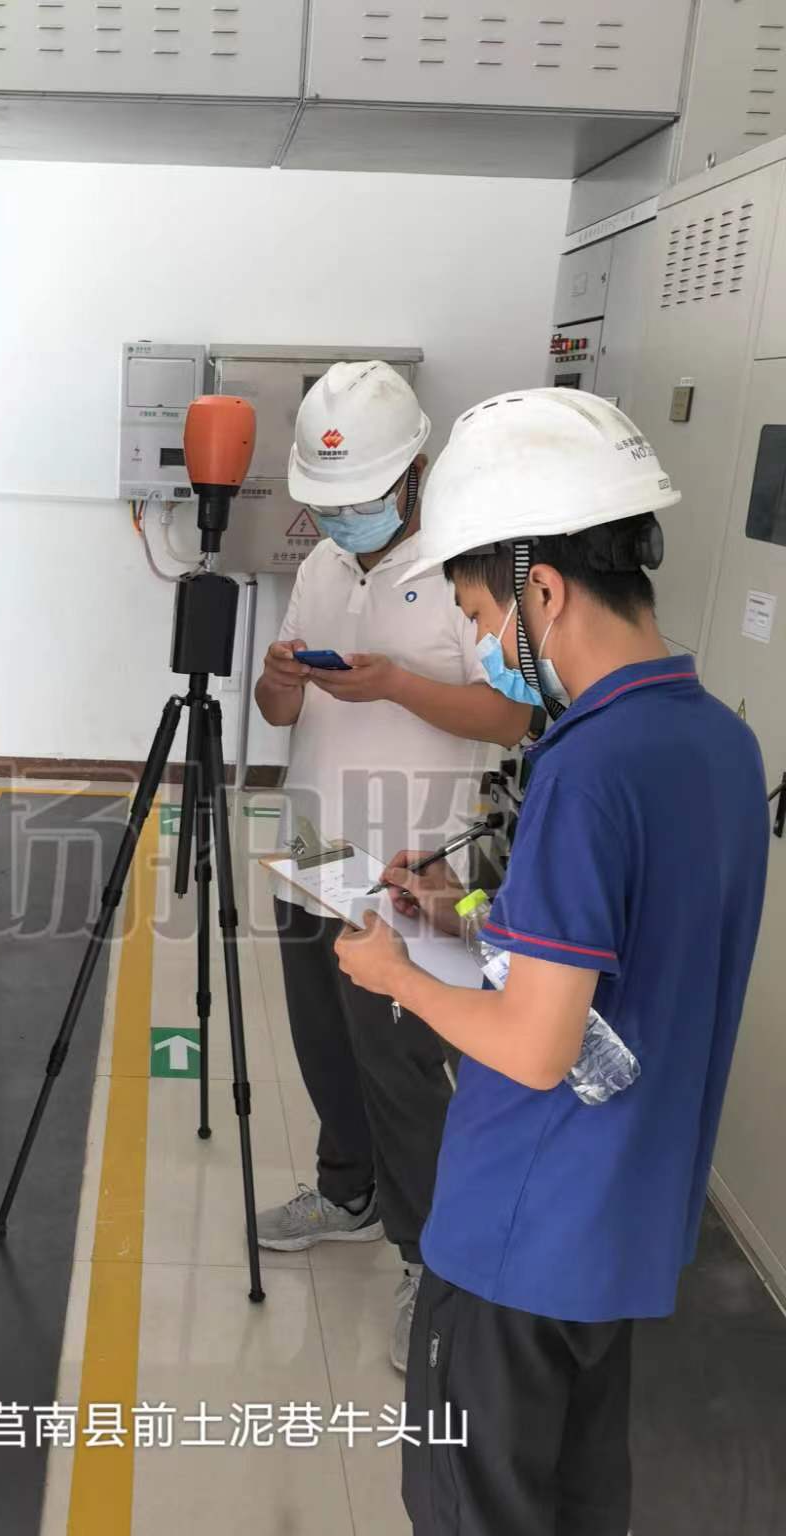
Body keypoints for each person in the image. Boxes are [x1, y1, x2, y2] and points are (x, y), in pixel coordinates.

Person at [335, 388, 769, 1536]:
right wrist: (465, 914)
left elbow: (534, 1046)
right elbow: (621, 956)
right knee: (579, 1496)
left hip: (515, 1231)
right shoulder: (716, 741)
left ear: (539, 587)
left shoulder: (586, 763)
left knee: (472, 1515)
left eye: (478, 615)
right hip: (621, 1228)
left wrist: (395, 972)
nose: (484, 647)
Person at [253, 361, 531, 1371]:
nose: (341, 518)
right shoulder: (324, 567)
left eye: (358, 498)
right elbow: (276, 712)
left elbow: (511, 717)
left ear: (415, 470)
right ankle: (346, 1190)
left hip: (416, 864)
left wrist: (398, 685)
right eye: (326, 502)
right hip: (313, 845)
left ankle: (428, 1256)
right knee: (324, 1040)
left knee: (403, 1066)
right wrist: (280, 680)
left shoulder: (466, 568)